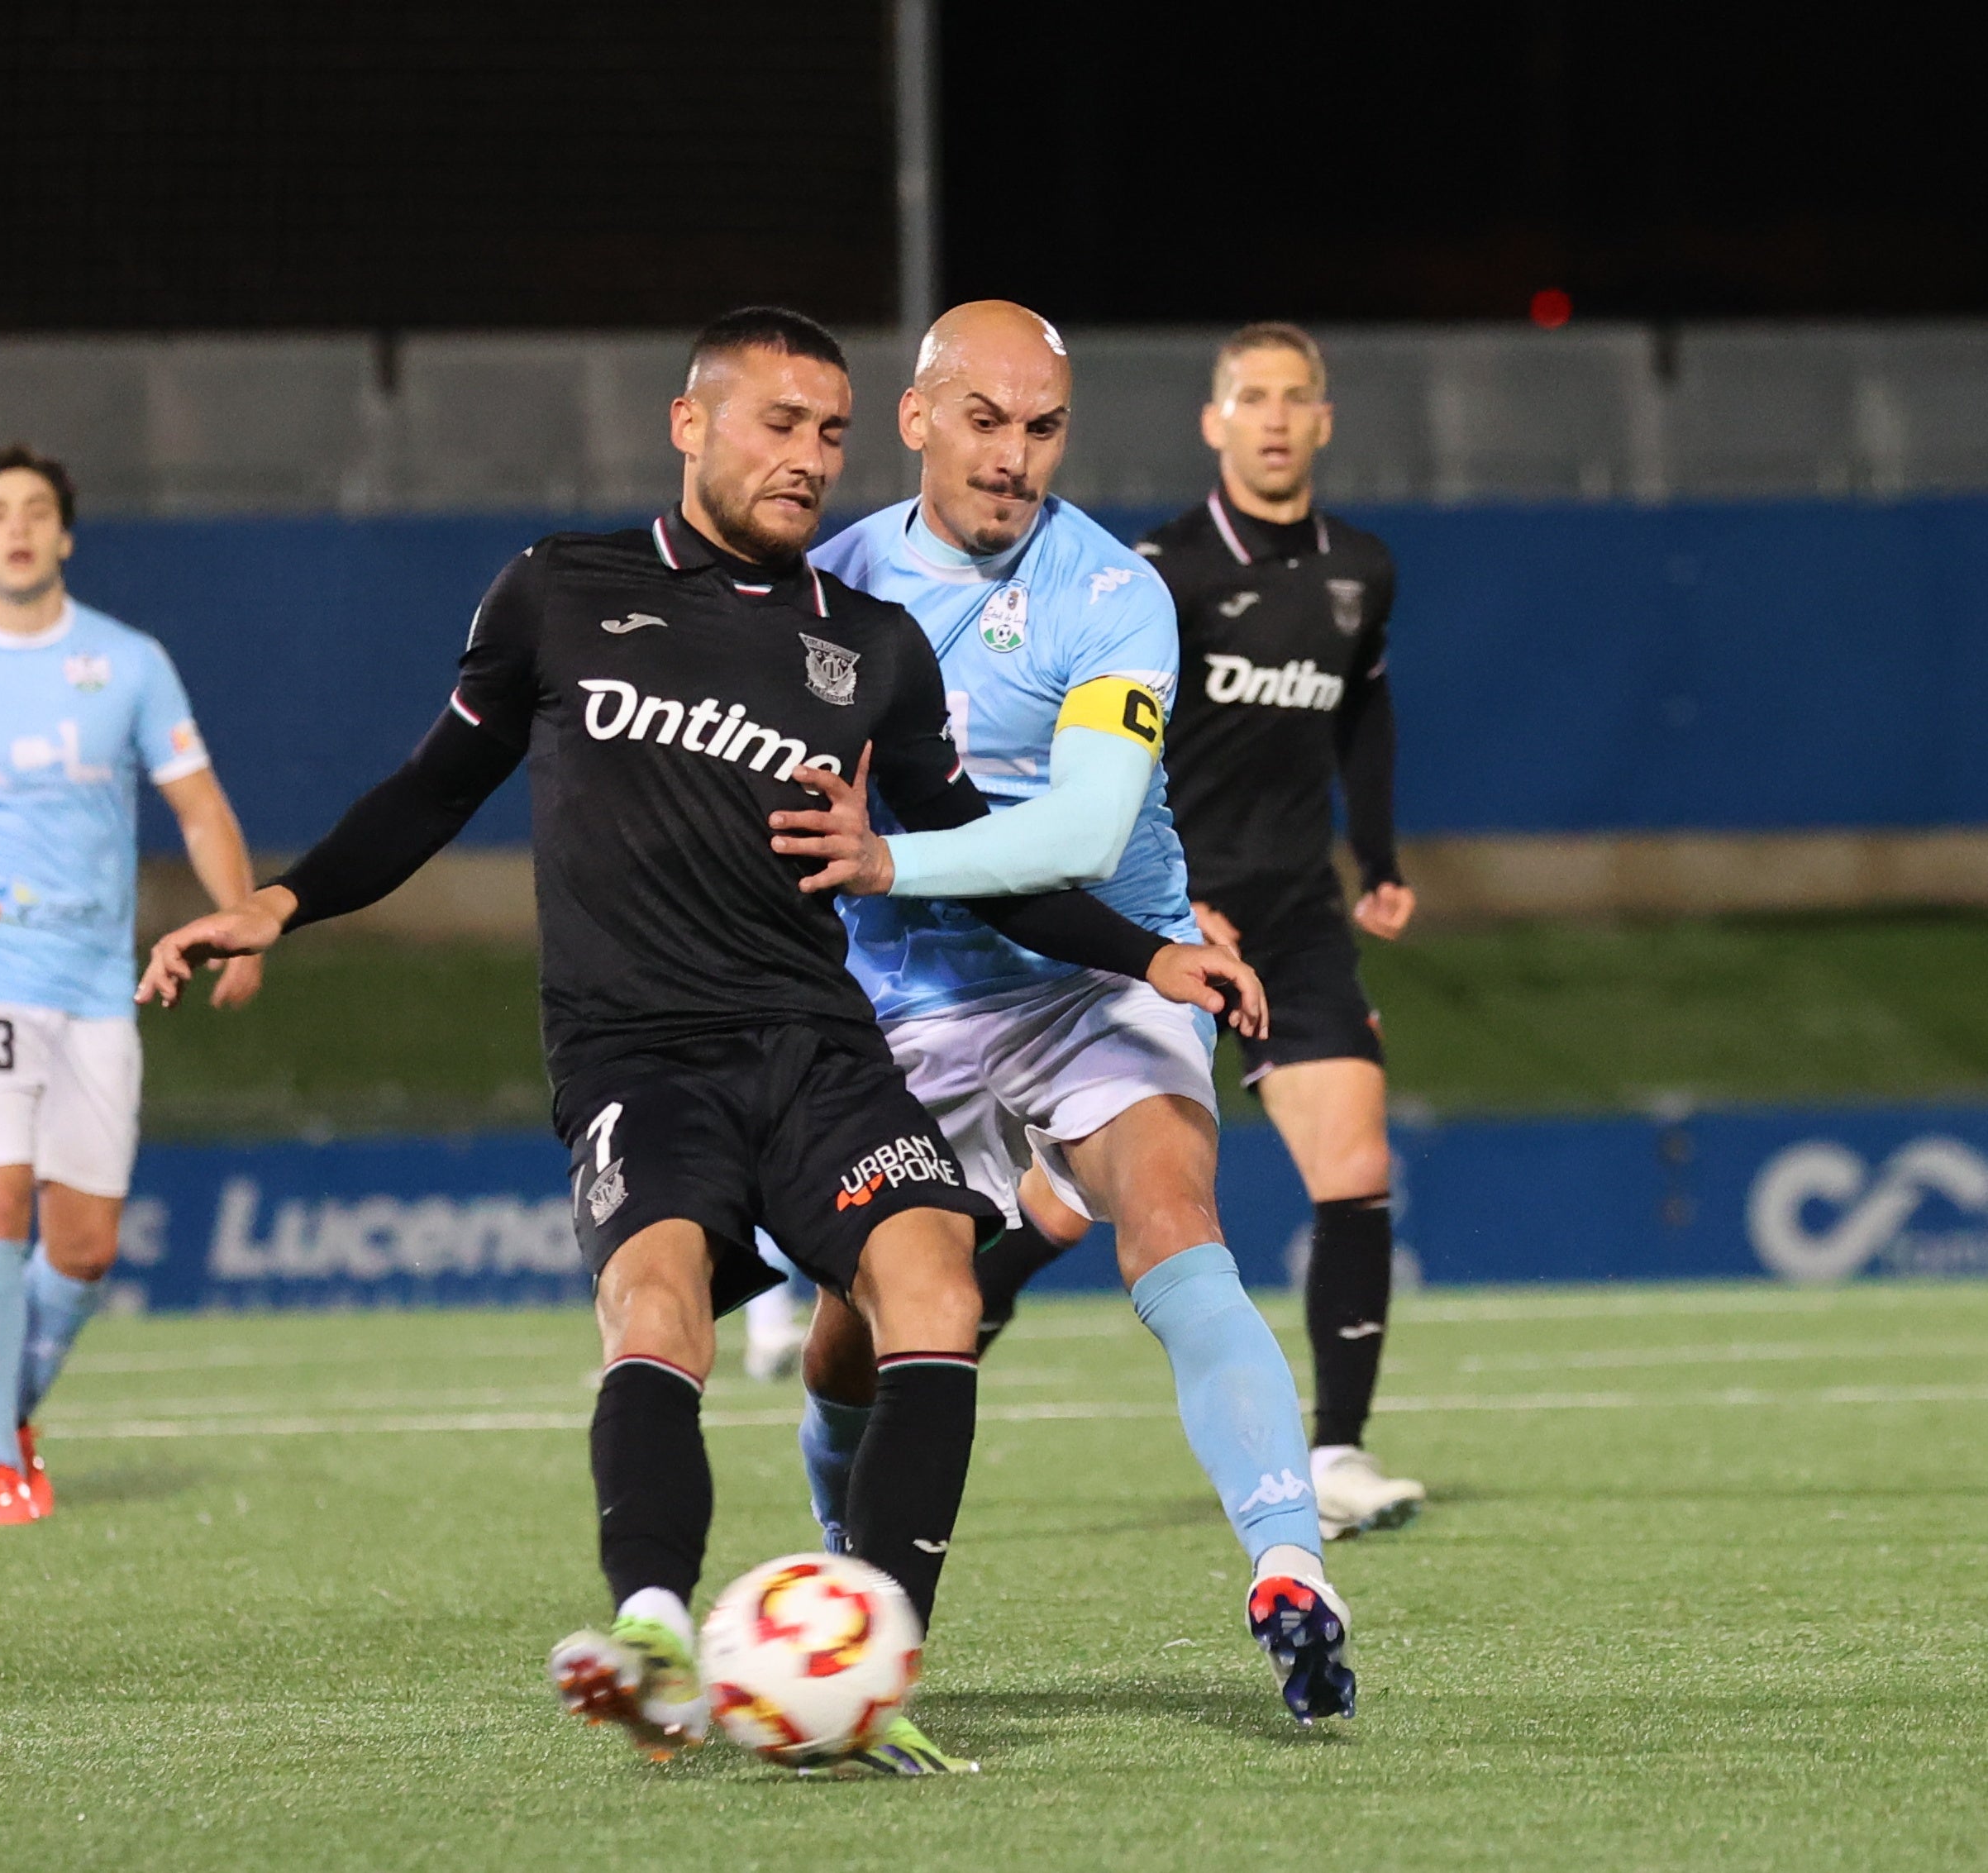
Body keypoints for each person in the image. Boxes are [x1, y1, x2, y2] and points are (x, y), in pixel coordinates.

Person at [136, 307, 1263, 1773]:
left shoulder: (868, 648)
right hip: (635, 1052)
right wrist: (278, 901)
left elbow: (980, 854)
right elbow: (431, 790)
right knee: (655, 1300)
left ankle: (871, 1652)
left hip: (817, 1047)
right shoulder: (559, 590)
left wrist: (1152, 951)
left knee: (931, 1283)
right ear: (691, 424)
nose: (805, 459)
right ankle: (654, 1629)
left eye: (827, 434)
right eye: (774, 425)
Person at [769, 302, 1356, 1724]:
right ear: (916, 419)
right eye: (985, 421)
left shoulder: (1110, 592)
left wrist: (897, 858)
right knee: (870, 1331)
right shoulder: (825, 588)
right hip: (904, 999)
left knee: (1175, 1216)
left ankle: (1291, 1565)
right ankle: (848, 1557)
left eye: (1042, 430)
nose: (1014, 458)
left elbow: (1089, 830)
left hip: (1101, 973)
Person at [0, 445, 262, 1527]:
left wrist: (243, 922)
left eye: (35, 511)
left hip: (92, 983)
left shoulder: (126, 662)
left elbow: (200, 807)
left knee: (84, 1245)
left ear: (64, 535)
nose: (15, 527)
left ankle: (5, 1408)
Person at [1135, 322, 1424, 1535]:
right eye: (1247, 396)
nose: (1269, 416)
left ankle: (1338, 1451)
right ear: (1213, 421)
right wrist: (1147, 889)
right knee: (1058, 1205)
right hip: (1164, 912)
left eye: (1292, 397)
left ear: (1321, 421)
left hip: (1297, 909)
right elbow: (1110, 742)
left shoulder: (1362, 568)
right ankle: (900, 1375)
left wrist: (1381, 858)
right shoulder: (1160, 572)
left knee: (1355, 1166)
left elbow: (1361, 710)